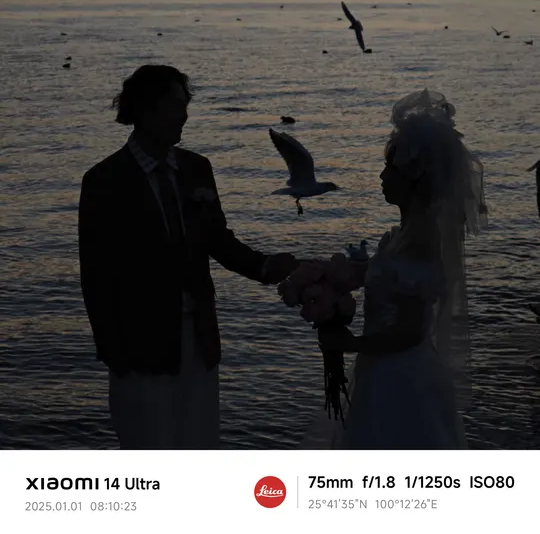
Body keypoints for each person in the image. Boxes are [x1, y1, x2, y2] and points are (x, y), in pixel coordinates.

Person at [78, 64, 296, 449]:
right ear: (146, 110)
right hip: (140, 345)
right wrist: (113, 351)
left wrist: (263, 266)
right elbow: (96, 275)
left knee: (200, 445)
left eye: (186, 105)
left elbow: (217, 239)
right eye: (177, 105)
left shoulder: (197, 168)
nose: (185, 115)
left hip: (200, 337)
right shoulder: (104, 181)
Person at [317, 89, 487, 449]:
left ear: (415, 175)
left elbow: (411, 331)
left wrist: (350, 343)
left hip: (400, 379)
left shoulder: (421, 239)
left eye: (390, 168)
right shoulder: (404, 233)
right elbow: (389, 284)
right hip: (383, 369)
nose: (381, 176)